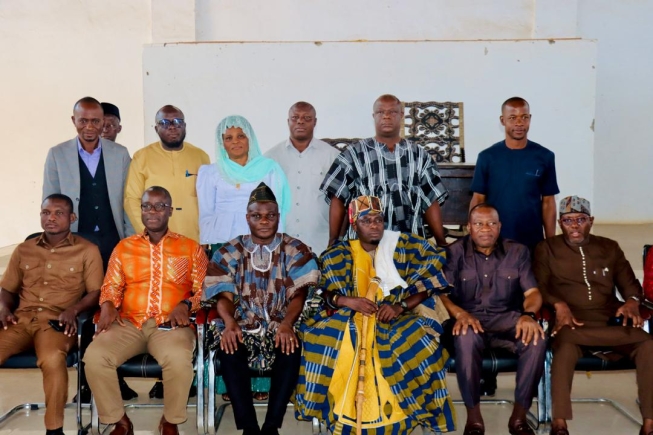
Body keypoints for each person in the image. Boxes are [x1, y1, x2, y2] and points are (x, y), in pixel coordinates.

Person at [295, 195, 456, 435]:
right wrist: (347, 301)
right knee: (343, 341)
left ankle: (400, 418)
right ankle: (346, 417)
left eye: (378, 219)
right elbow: (320, 292)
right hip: (347, 317)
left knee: (412, 343)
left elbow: (428, 282)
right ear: (353, 225)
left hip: (397, 315)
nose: (374, 225)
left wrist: (400, 305)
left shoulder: (403, 246)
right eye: (366, 220)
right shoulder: (337, 254)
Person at [84, 186, 208, 435]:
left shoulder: (190, 248)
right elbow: (111, 286)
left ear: (170, 211)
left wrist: (186, 305)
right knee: (95, 357)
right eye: (146, 206)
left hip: (170, 325)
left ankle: (170, 420)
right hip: (128, 323)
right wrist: (107, 305)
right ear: (140, 210)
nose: (152, 211)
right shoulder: (124, 248)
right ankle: (120, 421)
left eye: (160, 206)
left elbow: (206, 290)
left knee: (177, 358)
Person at [203, 183, 319, 435]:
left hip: (283, 321)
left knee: (291, 346)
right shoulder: (228, 251)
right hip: (241, 323)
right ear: (248, 218)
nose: (264, 221)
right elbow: (221, 295)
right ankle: (249, 427)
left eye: (270, 216)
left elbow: (299, 294)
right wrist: (230, 323)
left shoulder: (295, 249)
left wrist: (287, 324)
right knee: (229, 345)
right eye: (257, 216)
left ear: (279, 217)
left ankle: (271, 426)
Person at [533, 196, 653, 435]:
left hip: (609, 318)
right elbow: (540, 286)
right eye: (568, 220)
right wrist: (558, 304)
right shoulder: (546, 248)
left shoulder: (609, 247)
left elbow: (630, 284)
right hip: (571, 322)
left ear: (591, 221)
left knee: (648, 344)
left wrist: (631, 301)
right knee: (565, 346)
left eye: (581, 219)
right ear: (559, 223)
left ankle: (650, 423)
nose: (574, 225)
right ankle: (559, 423)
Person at [0, 194, 103, 435]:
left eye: (58, 213)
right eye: (46, 213)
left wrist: (74, 310)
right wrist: (3, 308)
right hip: (20, 320)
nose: (51, 218)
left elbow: (96, 293)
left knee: (52, 359)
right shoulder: (24, 249)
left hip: (57, 322)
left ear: (72, 217)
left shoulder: (87, 250)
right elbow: (6, 289)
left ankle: (54, 430)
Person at [440, 203, 546, 435]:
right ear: (469, 227)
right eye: (478, 223)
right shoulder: (454, 252)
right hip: (468, 320)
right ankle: (474, 419)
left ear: (499, 227)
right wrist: (460, 314)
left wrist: (529, 316)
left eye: (491, 224)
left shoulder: (517, 251)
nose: (485, 229)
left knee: (536, 340)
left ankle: (518, 418)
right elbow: (440, 293)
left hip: (506, 319)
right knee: (465, 336)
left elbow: (532, 293)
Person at [320, 94, 449, 246]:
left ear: (401, 115)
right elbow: (338, 198)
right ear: (373, 116)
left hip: (409, 243)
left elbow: (431, 200)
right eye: (381, 112)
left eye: (393, 112)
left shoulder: (419, 155)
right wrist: (333, 241)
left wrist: (441, 241)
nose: (386, 116)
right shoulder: (354, 154)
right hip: (364, 246)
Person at [43, 96, 133, 271]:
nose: (90, 127)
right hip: (75, 237)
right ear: (73, 120)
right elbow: (50, 199)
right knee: (79, 290)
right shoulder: (57, 154)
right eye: (83, 120)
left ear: (102, 121)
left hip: (113, 237)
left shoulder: (120, 154)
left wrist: (130, 239)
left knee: (113, 290)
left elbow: (128, 199)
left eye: (95, 121)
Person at [469, 97, 559, 253]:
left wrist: (550, 243)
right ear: (503, 120)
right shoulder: (487, 157)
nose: (519, 123)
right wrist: (474, 237)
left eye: (524, 117)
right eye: (512, 118)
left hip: (531, 241)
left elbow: (548, 202)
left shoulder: (545, 156)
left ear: (530, 119)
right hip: (495, 240)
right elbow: (478, 199)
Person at [197, 115, 291, 253]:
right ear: (222, 143)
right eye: (228, 138)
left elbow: (277, 208)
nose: (235, 142)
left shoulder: (268, 169)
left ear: (249, 139)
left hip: (259, 237)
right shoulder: (210, 172)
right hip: (222, 238)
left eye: (241, 136)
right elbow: (206, 211)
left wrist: (278, 237)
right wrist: (204, 242)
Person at [124, 105, 210, 243]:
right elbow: (132, 199)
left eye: (177, 121)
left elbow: (208, 200)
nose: (172, 127)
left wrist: (207, 236)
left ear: (185, 125)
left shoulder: (200, 156)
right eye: (164, 123)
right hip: (156, 240)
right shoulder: (142, 157)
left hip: (194, 239)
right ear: (156, 128)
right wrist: (148, 233)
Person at [265, 101, 340, 255]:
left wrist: (335, 239)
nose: (300, 121)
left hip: (320, 242)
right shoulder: (271, 158)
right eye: (295, 117)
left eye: (307, 118)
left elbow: (340, 200)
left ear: (315, 122)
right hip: (281, 243)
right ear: (288, 122)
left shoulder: (332, 156)